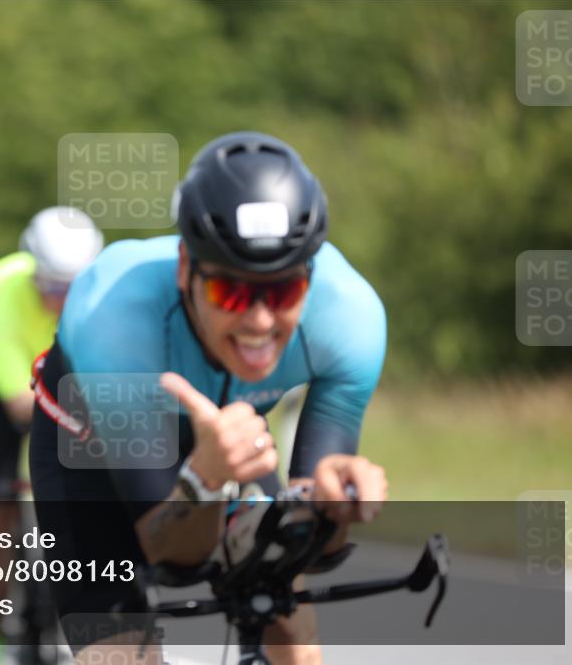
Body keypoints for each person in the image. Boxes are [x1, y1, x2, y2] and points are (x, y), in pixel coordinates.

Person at [29, 132, 389, 664]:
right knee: (119, 654)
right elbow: (172, 556)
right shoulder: (112, 314)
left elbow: (315, 551)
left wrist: (334, 509)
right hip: (90, 447)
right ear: (185, 270)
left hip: (224, 440)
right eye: (232, 292)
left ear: (309, 282)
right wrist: (204, 478)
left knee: (293, 627)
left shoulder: (349, 319)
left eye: (283, 292)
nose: (260, 321)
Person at [0, 207, 103, 664]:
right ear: (34, 275)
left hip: (72, 384)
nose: (63, 301)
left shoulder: (103, 299)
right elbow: (20, 404)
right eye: (53, 289)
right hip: (7, 388)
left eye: (74, 289)